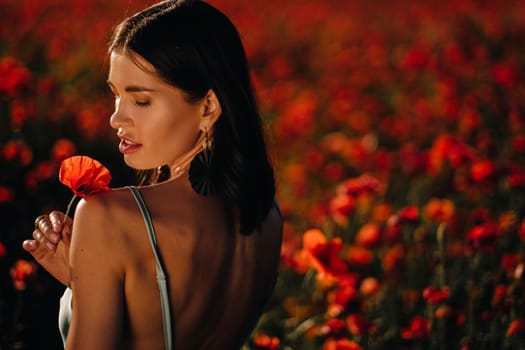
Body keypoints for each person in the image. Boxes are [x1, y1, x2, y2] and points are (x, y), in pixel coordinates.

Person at [22, 0, 283, 349]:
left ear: (208, 107)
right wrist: (85, 278)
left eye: (140, 100)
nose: (117, 118)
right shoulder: (267, 215)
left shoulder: (109, 218)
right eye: (115, 95)